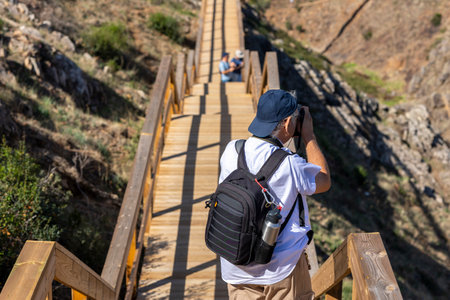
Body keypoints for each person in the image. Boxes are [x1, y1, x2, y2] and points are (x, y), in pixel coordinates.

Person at [218, 89, 331, 299]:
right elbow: (323, 180)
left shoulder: (232, 149)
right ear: (288, 123)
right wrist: (309, 136)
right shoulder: (291, 164)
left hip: (236, 263)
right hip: (281, 269)